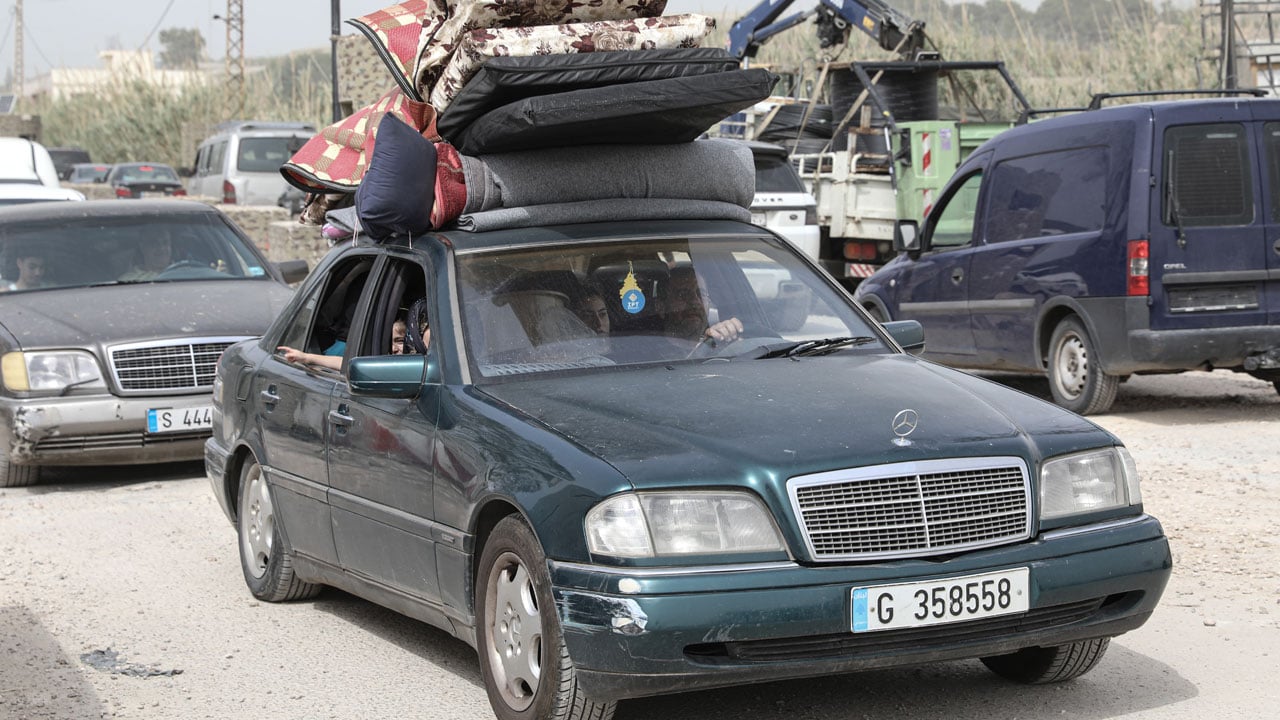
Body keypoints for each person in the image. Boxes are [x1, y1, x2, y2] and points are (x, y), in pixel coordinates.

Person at [658, 265, 742, 345]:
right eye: (683, 294)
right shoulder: (652, 351)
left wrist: (727, 338)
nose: (695, 302)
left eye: (701, 294)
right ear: (660, 307)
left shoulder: (718, 342)